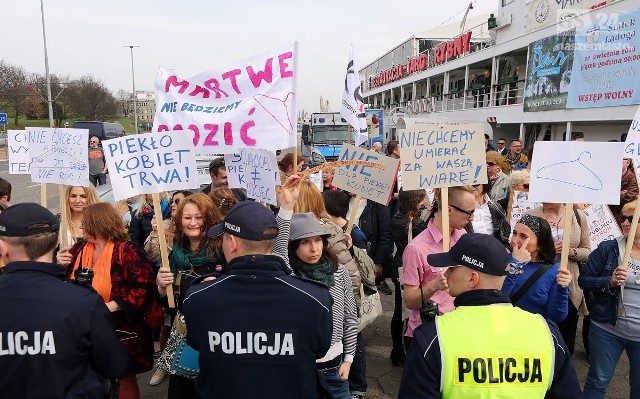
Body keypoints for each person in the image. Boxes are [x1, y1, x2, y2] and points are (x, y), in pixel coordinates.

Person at [398, 233, 583, 399]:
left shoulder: (433, 337)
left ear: (472, 278)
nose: (445, 273)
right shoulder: (546, 335)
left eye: (452, 268)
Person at [182, 201, 333, 398]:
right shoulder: (315, 298)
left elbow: (196, 343)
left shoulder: (198, 297)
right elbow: (320, 350)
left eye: (224, 239)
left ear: (233, 242)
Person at [0, 203, 129, 398]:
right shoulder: (84, 301)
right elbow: (115, 363)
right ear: (56, 242)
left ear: (2, 247)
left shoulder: (84, 300)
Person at [56, 202, 156, 399]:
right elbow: (61, 284)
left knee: (123, 379)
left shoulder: (127, 251)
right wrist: (58, 264)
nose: (81, 227)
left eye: (85, 223)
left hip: (119, 329)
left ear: (98, 224)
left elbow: (144, 288)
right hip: (83, 328)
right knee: (88, 376)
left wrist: (108, 307)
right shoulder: (77, 249)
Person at [154, 193, 224, 398]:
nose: (193, 223)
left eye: (199, 217)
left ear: (209, 218)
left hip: (216, 338)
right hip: (184, 337)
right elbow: (167, 303)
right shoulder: (175, 253)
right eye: (187, 217)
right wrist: (160, 287)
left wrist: (220, 288)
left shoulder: (223, 251)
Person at [289, 213, 358, 399]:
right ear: (293, 245)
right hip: (299, 369)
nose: (314, 248)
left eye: (318, 240)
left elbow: (350, 316)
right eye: (304, 242)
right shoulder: (288, 277)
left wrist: (349, 360)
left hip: (334, 368)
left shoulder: (338, 272)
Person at [579, 200, 640, 398]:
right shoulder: (608, 249)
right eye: (623, 218)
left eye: (632, 219)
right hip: (607, 328)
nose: (625, 223)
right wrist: (610, 281)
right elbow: (584, 280)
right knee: (598, 381)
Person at [402, 186, 474, 349]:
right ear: (449, 209)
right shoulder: (416, 249)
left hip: (458, 330)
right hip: (428, 336)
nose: (472, 218)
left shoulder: (462, 237)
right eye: (469, 212)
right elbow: (410, 301)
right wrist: (435, 285)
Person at [526, 203, 591, 355]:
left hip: (568, 286)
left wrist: (571, 252)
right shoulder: (531, 215)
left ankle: (561, 370)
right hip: (538, 285)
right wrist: (543, 249)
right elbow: (519, 246)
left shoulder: (577, 216)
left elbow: (587, 251)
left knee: (564, 340)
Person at [503, 215, 571, 326]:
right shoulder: (504, 260)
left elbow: (556, 316)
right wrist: (515, 265)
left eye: (523, 236)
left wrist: (563, 289)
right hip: (504, 326)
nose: (515, 240)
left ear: (540, 244)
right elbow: (498, 298)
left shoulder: (554, 271)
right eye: (514, 233)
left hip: (533, 332)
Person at [390, 188, 429, 366]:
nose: (423, 202)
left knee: (400, 310)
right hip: (406, 270)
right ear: (414, 201)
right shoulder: (411, 223)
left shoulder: (398, 218)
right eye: (421, 199)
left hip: (400, 267)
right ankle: (400, 349)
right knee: (405, 312)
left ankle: (397, 350)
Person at [465, 183, 510, 248]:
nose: (470, 186)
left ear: (485, 183)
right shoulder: (461, 207)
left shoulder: (495, 207)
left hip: (493, 250)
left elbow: (505, 233)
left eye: (475, 183)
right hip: (470, 251)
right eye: (467, 184)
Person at [610, 157, 639, 222]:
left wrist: (609, 195)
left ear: (627, 162)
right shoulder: (609, 177)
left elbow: (626, 198)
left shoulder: (634, 179)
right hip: (607, 218)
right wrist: (620, 194)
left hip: (622, 220)